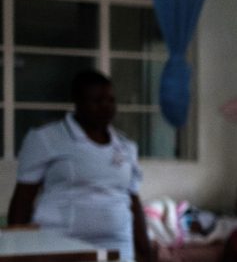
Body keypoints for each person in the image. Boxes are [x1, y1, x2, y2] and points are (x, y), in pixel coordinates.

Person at [7, 70, 151, 262]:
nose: (106, 107)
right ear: (78, 102)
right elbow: (23, 200)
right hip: (60, 244)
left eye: (110, 100)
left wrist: (146, 251)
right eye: (97, 101)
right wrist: (13, 251)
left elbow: (133, 200)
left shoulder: (126, 146)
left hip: (117, 243)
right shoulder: (46, 139)